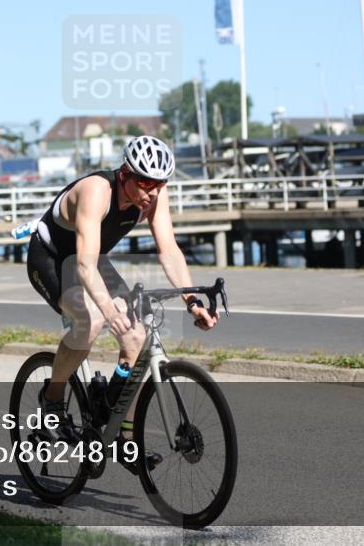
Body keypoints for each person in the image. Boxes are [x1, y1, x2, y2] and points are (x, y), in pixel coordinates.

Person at [25, 135, 218, 473]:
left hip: (90, 257)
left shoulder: (155, 196)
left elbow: (169, 250)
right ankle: (52, 398)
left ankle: (121, 434)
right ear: (126, 173)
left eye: (159, 183)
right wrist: (109, 309)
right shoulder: (96, 191)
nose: (153, 191)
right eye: (145, 182)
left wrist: (191, 301)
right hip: (52, 257)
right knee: (91, 321)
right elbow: (82, 266)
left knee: (137, 336)